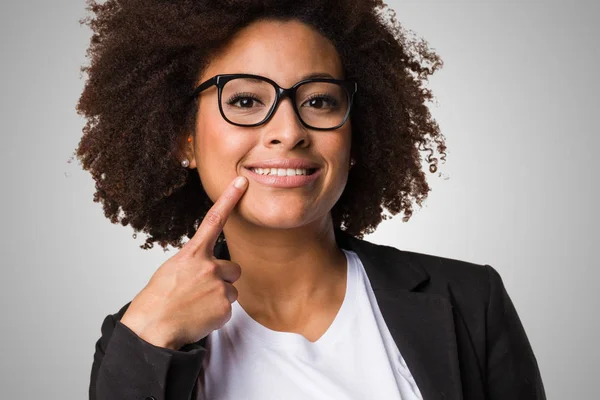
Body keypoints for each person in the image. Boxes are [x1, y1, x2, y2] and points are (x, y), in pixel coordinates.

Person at [77, 1, 546, 399]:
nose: (289, 132)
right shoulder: (140, 335)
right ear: (185, 143)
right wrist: (151, 341)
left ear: (356, 136)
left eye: (319, 101)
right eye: (244, 101)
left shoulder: (469, 300)